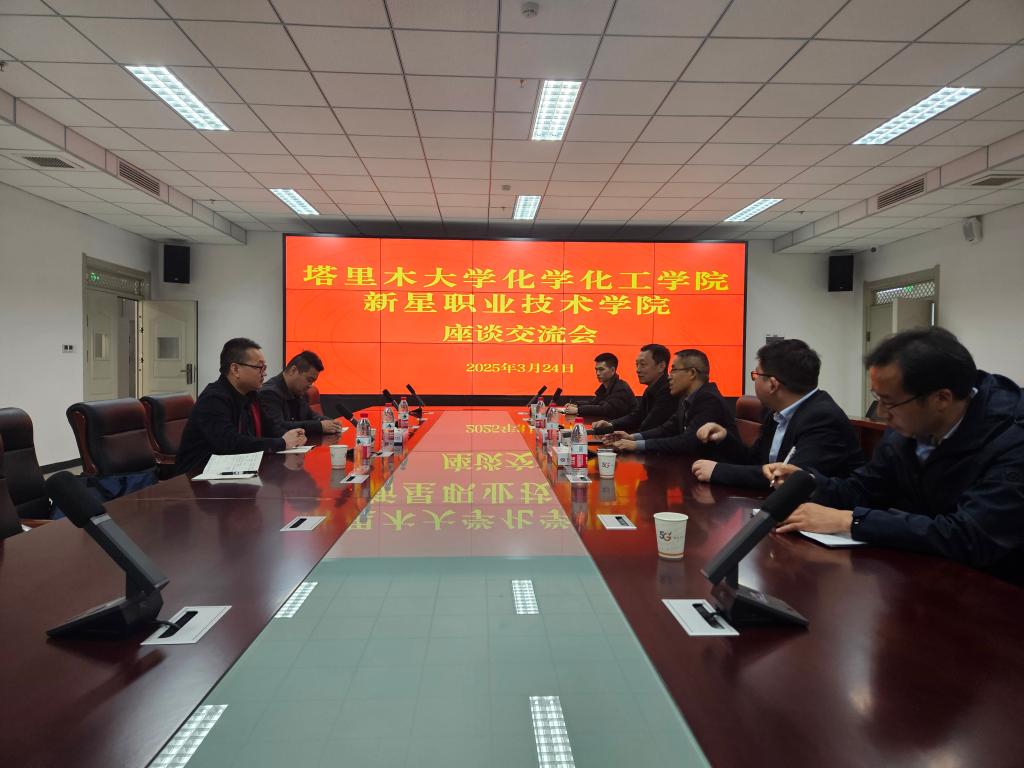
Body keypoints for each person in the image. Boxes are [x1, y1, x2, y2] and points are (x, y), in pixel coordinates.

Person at [768, 327, 1024, 584]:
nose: (880, 413)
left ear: (942, 399)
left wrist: (850, 521)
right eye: (877, 398)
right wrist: (811, 483)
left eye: (889, 402)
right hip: (924, 577)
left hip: (998, 589)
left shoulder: (1012, 440)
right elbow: (866, 489)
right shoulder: (909, 427)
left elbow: (970, 536)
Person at [692, 339, 863, 489]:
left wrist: (718, 471)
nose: (754, 380)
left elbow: (788, 479)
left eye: (756, 375)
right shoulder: (776, 412)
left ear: (772, 385)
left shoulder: (823, 418)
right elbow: (755, 461)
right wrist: (724, 438)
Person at [175, 338, 306, 475]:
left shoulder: (251, 395)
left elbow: (270, 427)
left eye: (264, 368)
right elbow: (230, 443)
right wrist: (282, 442)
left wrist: (292, 437)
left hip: (233, 470)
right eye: (259, 367)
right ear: (235, 369)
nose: (264, 373)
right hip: (198, 475)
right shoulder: (213, 399)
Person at [608, 348, 739, 457]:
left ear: (692, 373)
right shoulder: (687, 397)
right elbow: (667, 429)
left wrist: (637, 445)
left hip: (715, 472)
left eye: (674, 370)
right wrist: (633, 438)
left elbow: (687, 441)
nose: (669, 376)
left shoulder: (709, 399)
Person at [591, 343, 677, 436]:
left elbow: (649, 426)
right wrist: (611, 424)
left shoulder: (669, 391)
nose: (638, 370)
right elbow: (637, 416)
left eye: (643, 364)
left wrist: (632, 439)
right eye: (637, 364)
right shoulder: (651, 388)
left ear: (661, 366)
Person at [260, 350, 345, 437]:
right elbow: (278, 427)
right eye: (309, 380)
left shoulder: (299, 392)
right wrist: (319, 426)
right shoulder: (269, 393)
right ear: (293, 370)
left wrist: (329, 422)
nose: (310, 386)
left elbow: (311, 416)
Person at [563, 352, 636, 420]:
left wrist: (578, 410)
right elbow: (593, 403)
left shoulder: (621, 388)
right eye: (596, 369)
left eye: (601, 369)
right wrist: (576, 405)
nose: (597, 373)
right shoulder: (605, 387)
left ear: (613, 370)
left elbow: (605, 409)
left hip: (627, 429)